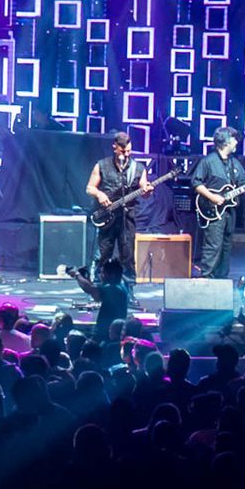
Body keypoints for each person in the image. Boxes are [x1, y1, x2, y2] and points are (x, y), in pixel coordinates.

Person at [86, 131, 154, 336]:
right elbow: (89, 187)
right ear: (115, 147)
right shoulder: (102, 165)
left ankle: (129, 291)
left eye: (129, 150)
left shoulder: (137, 168)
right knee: (103, 254)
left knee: (127, 255)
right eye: (122, 149)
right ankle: (98, 290)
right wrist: (100, 194)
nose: (126, 153)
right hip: (107, 216)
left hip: (127, 217)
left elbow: (144, 188)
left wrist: (148, 190)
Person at [190, 125, 245, 278]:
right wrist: (212, 196)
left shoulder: (234, 163)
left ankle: (222, 278)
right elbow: (196, 183)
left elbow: (243, 183)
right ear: (226, 142)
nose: (237, 143)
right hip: (212, 211)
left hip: (229, 212)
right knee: (213, 246)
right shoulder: (208, 161)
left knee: (226, 246)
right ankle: (206, 278)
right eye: (235, 140)